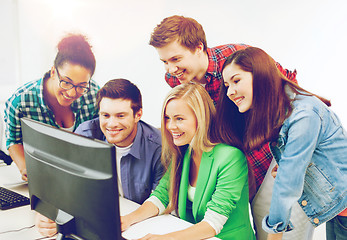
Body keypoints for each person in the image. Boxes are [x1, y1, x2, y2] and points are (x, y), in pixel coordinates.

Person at [216, 46, 347, 240]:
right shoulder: (282, 111)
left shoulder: (303, 114)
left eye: (236, 81)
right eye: (227, 85)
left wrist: (274, 234)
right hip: (339, 211)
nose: (230, 92)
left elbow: (288, 183)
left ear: (261, 75)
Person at [121, 82, 255, 240]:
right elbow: (162, 195)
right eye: (167, 118)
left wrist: (166, 238)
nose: (171, 126)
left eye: (179, 119)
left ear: (201, 118)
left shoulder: (231, 157)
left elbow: (213, 223)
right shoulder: (184, 152)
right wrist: (128, 219)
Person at [35, 78, 165, 237]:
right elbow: (64, 183)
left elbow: (162, 198)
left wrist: (128, 220)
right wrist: (49, 213)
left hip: (140, 225)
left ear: (138, 114)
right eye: (105, 115)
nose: (111, 124)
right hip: (96, 220)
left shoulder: (159, 146)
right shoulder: (86, 134)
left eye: (120, 115)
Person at [3, 33, 100, 181]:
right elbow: (13, 141)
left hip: (82, 177)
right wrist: (25, 169)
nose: (72, 92)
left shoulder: (94, 94)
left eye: (81, 86)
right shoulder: (20, 102)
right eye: (66, 82)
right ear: (54, 71)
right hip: (44, 178)